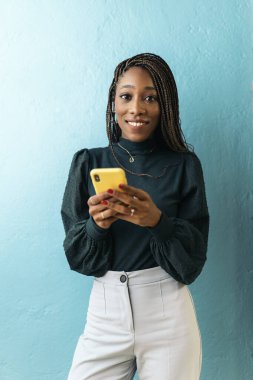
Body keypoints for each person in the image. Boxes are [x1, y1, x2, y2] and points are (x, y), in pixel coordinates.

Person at [61, 52, 209, 380]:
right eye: (126, 96)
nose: (137, 108)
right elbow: (76, 255)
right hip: (105, 312)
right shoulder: (89, 162)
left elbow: (193, 262)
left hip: (167, 313)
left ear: (165, 105)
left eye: (150, 98)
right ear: (113, 103)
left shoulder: (184, 166)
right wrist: (97, 226)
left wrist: (157, 221)